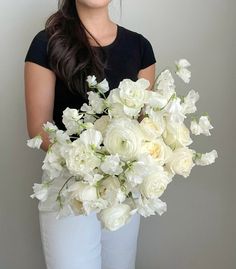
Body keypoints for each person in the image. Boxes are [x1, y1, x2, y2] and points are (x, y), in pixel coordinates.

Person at [24, 1, 156, 268]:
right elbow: (38, 127)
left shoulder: (140, 48)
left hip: (122, 190)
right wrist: (89, 161)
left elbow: (145, 128)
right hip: (68, 186)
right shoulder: (47, 43)